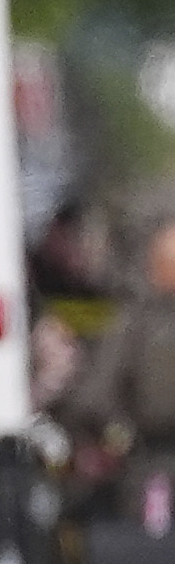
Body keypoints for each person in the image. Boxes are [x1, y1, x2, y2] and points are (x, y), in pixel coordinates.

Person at [62, 215, 175, 525]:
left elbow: (95, 396)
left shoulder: (131, 321)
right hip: (148, 460)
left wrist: (106, 432)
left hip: (148, 465)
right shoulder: (133, 322)